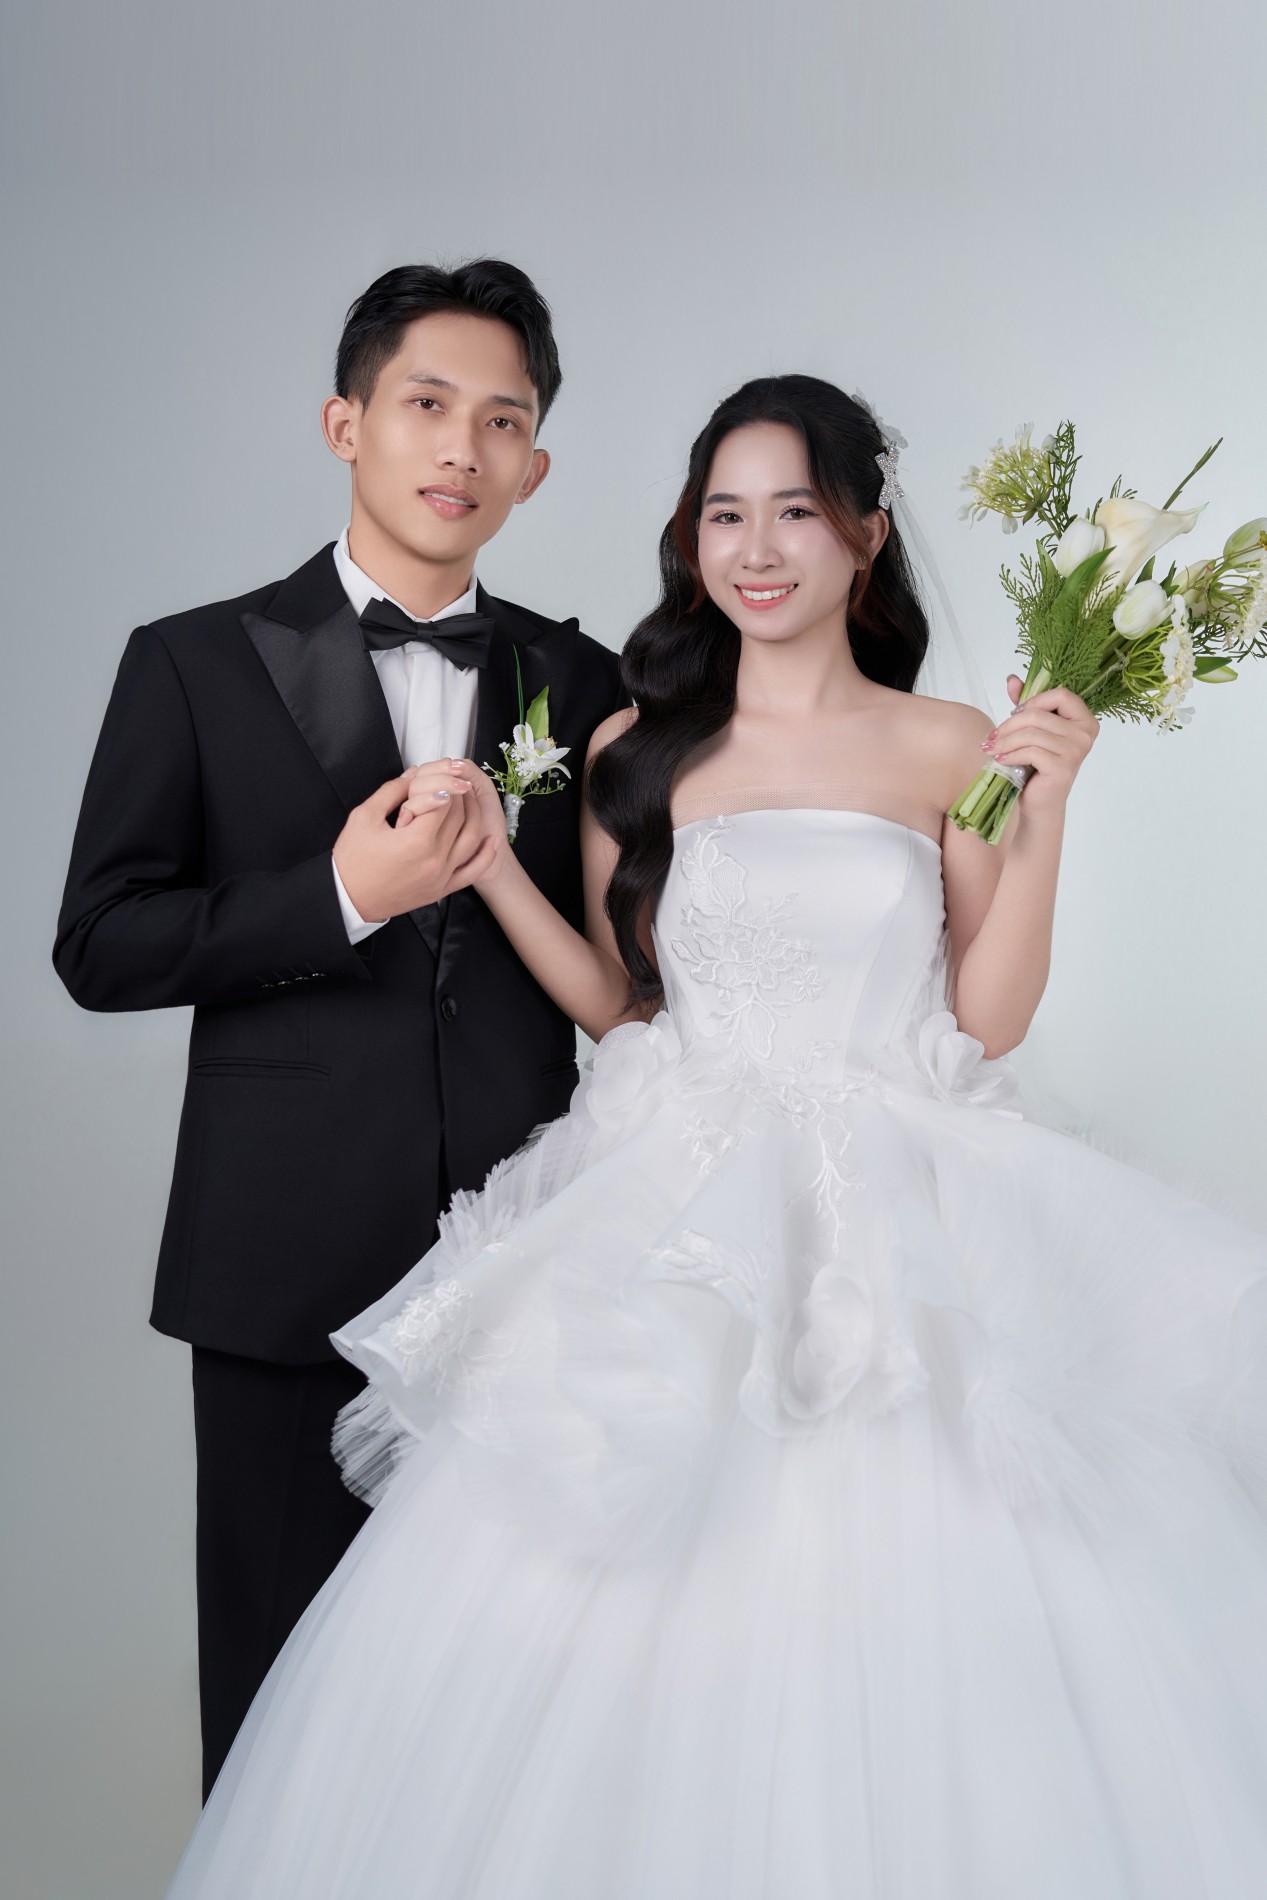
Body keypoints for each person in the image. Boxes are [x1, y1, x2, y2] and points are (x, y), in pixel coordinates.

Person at [166, 377, 1267, 1896]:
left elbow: (987, 1019)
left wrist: (1049, 806)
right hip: (681, 1189)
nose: (755, 550)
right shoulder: (638, 746)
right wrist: (493, 869)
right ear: (692, 541)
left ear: (864, 535)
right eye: (724, 516)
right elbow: (624, 1009)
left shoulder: (952, 741)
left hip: (899, 1190)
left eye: (794, 512)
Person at [52, 259, 625, 1797]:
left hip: (523, 1268)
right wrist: (338, 898)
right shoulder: (191, 661)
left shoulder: (585, 683)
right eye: (427, 404)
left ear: (535, 466)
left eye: (502, 421)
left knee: (510, 1726)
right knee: (276, 1720)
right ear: (345, 423)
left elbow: (635, 956)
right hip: (278, 1266)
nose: (462, 448)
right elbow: (99, 944)